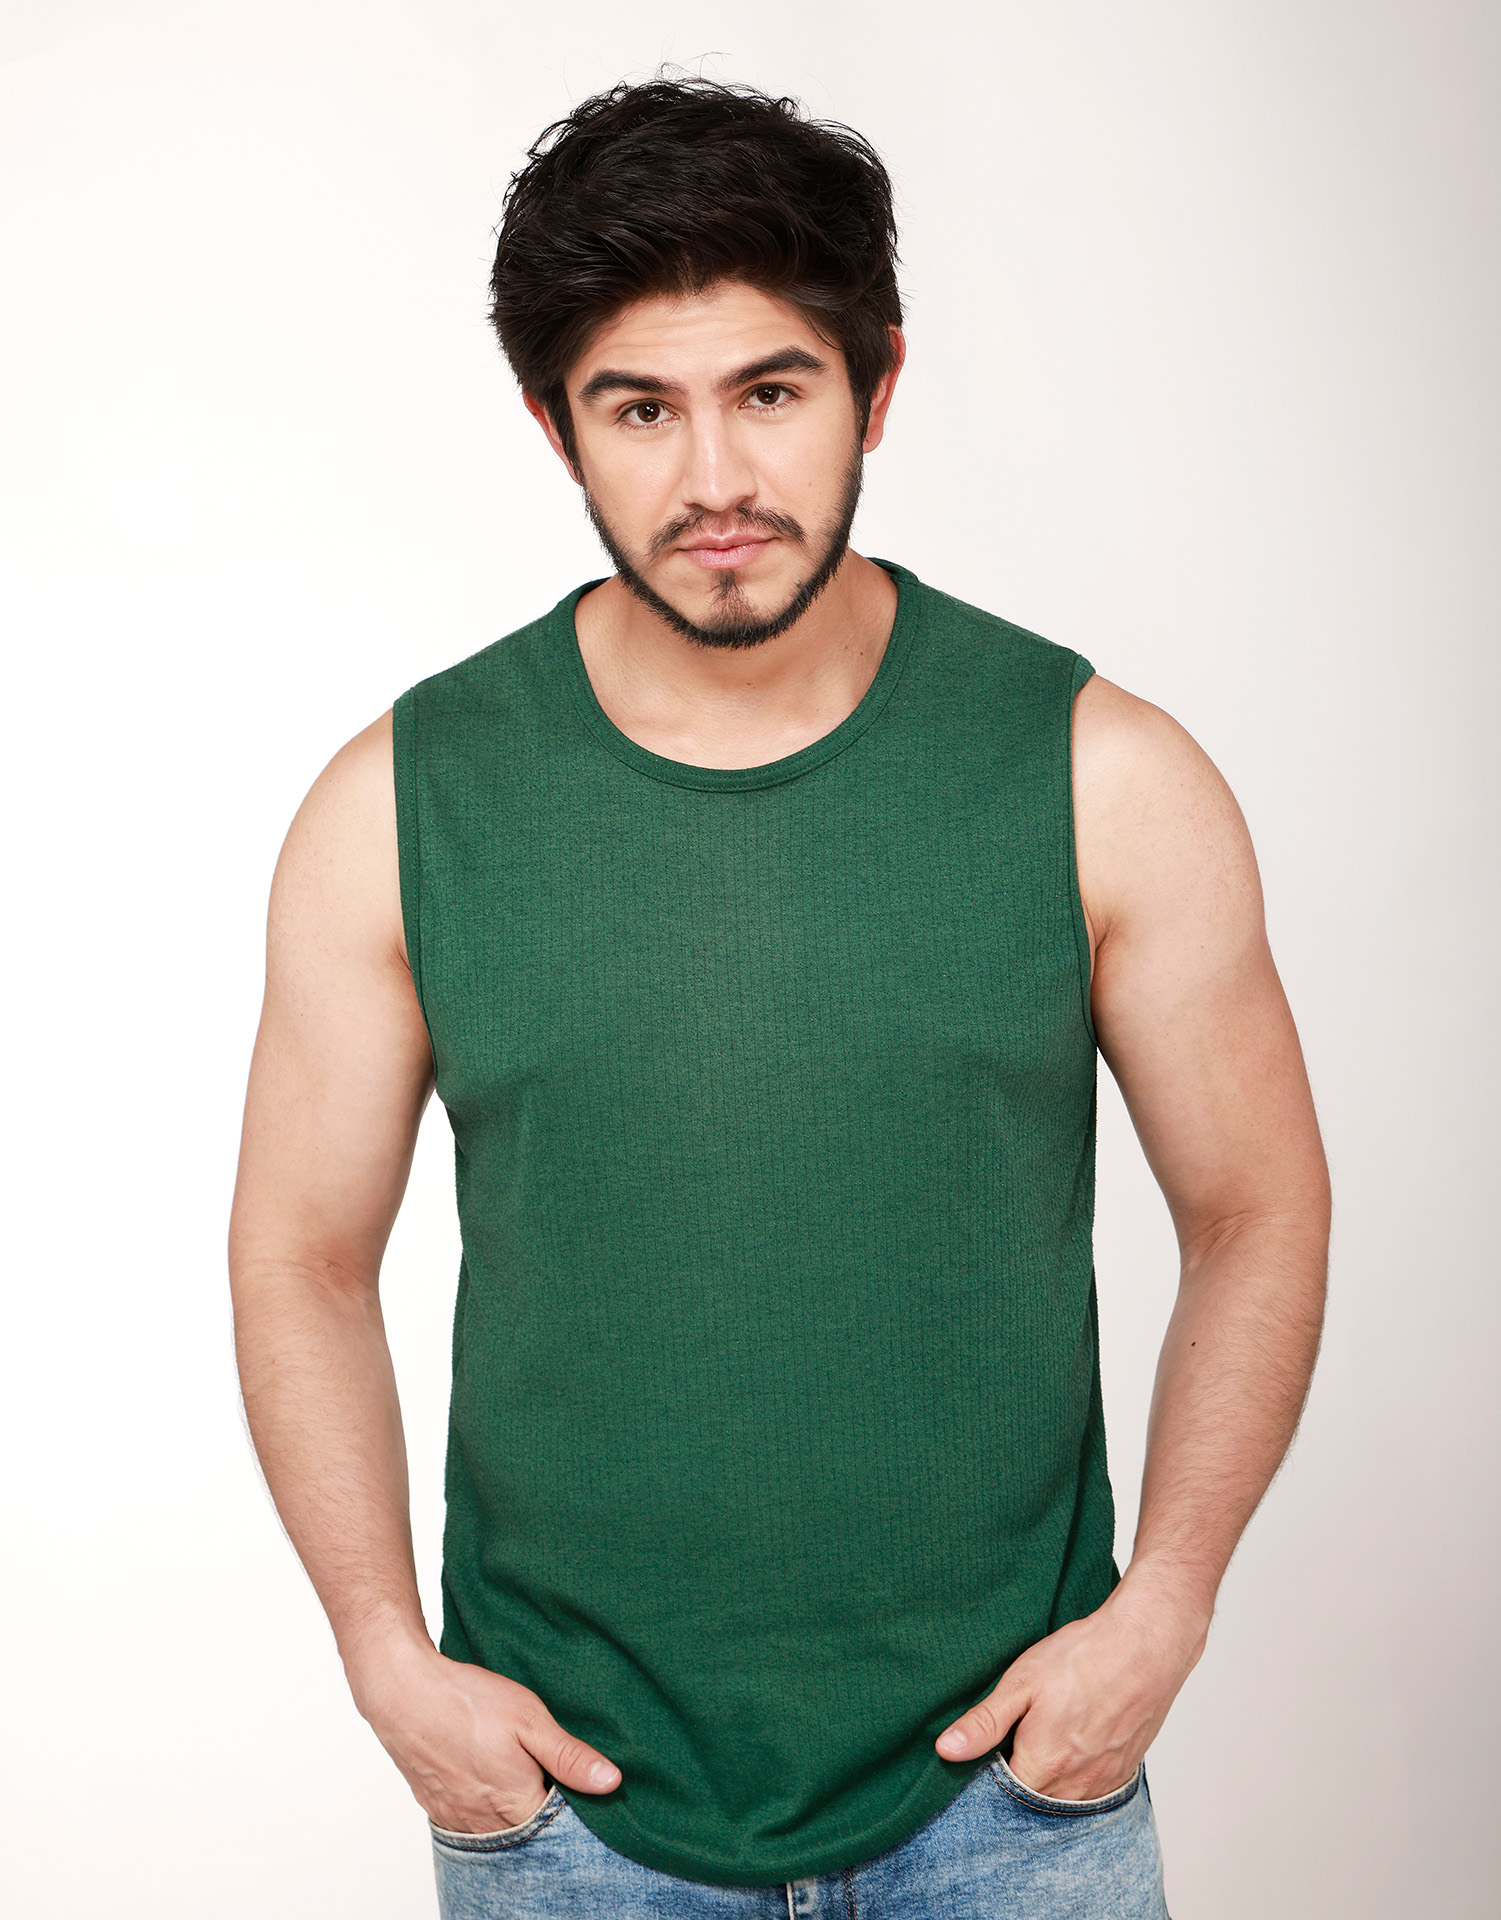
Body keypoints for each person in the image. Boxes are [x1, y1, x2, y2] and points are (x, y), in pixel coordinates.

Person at [229, 76, 1330, 1919]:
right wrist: (382, 1655)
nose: (714, 483)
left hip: (1015, 1801)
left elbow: (1255, 1206)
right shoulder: (399, 804)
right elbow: (298, 1257)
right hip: (569, 1815)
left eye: (769, 392)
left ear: (874, 387)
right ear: (554, 428)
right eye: (638, 409)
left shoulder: (1099, 774)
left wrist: (1168, 1603)